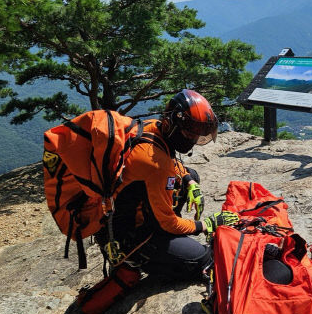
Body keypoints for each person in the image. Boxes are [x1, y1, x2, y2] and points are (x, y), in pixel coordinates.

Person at [96, 89, 238, 281]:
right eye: (189, 132)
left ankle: (166, 236)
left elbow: (171, 162)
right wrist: (206, 225)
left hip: (127, 211)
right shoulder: (155, 165)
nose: (193, 139)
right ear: (173, 123)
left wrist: (190, 181)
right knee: (203, 258)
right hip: (131, 236)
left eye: (197, 134)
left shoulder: (154, 127)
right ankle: (137, 257)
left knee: (191, 174)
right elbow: (168, 223)